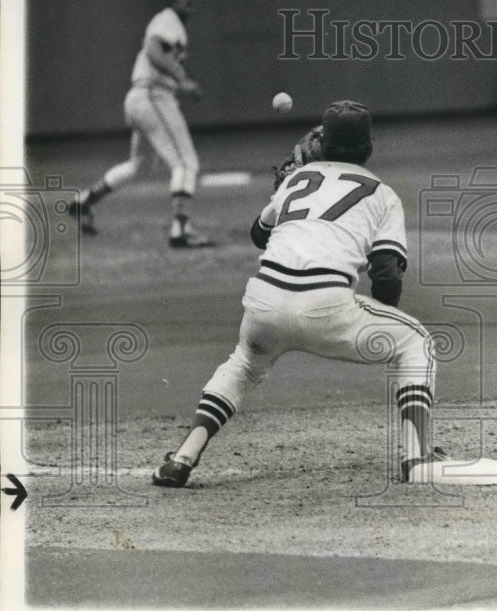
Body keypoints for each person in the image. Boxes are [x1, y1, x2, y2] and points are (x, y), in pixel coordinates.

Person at [152, 100, 442, 487]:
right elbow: (386, 275)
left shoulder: (296, 179)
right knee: (417, 342)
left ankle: (182, 458)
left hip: (263, 302)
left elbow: (259, 235)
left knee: (243, 364)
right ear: (368, 146)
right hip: (327, 307)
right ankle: (416, 455)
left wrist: (285, 193)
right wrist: (376, 323)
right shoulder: (382, 194)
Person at [69, 0, 213, 247]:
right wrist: (182, 79)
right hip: (152, 95)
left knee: (140, 165)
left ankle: (84, 201)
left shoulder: (173, 23)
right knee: (185, 163)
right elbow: (153, 49)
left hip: (141, 97)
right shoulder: (168, 19)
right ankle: (180, 230)